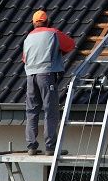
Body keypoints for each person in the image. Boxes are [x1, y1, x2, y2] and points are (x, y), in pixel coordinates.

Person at [22, 9, 75, 155]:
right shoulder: (52, 33)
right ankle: (50, 147)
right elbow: (70, 45)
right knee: (50, 110)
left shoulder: (28, 38)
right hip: (46, 76)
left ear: (33, 23)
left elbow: (24, 59)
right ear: (47, 21)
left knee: (32, 111)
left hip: (30, 76)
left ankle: (31, 146)